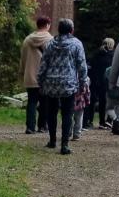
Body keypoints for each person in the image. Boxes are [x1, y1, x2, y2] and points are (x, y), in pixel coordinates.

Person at [37, 18, 88, 155]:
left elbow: (43, 64)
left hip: (51, 83)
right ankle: (64, 145)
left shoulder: (50, 44)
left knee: (52, 112)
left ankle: (52, 140)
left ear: (58, 29)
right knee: (67, 114)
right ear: (71, 30)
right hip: (68, 83)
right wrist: (83, 83)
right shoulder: (76, 44)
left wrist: (40, 82)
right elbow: (82, 66)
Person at [19, 16, 52, 134]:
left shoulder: (27, 40)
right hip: (45, 77)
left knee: (32, 102)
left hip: (30, 75)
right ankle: (42, 126)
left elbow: (23, 59)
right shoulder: (51, 40)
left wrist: (22, 72)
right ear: (47, 25)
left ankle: (30, 127)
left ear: (37, 25)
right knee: (44, 102)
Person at [85, 38, 115, 129]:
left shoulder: (96, 54)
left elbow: (90, 66)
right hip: (107, 82)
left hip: (95, 81)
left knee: (93, 101)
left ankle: (90, 121)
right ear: (112, 45)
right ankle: (106, 121)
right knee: (107, 102)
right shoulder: (112, 55)